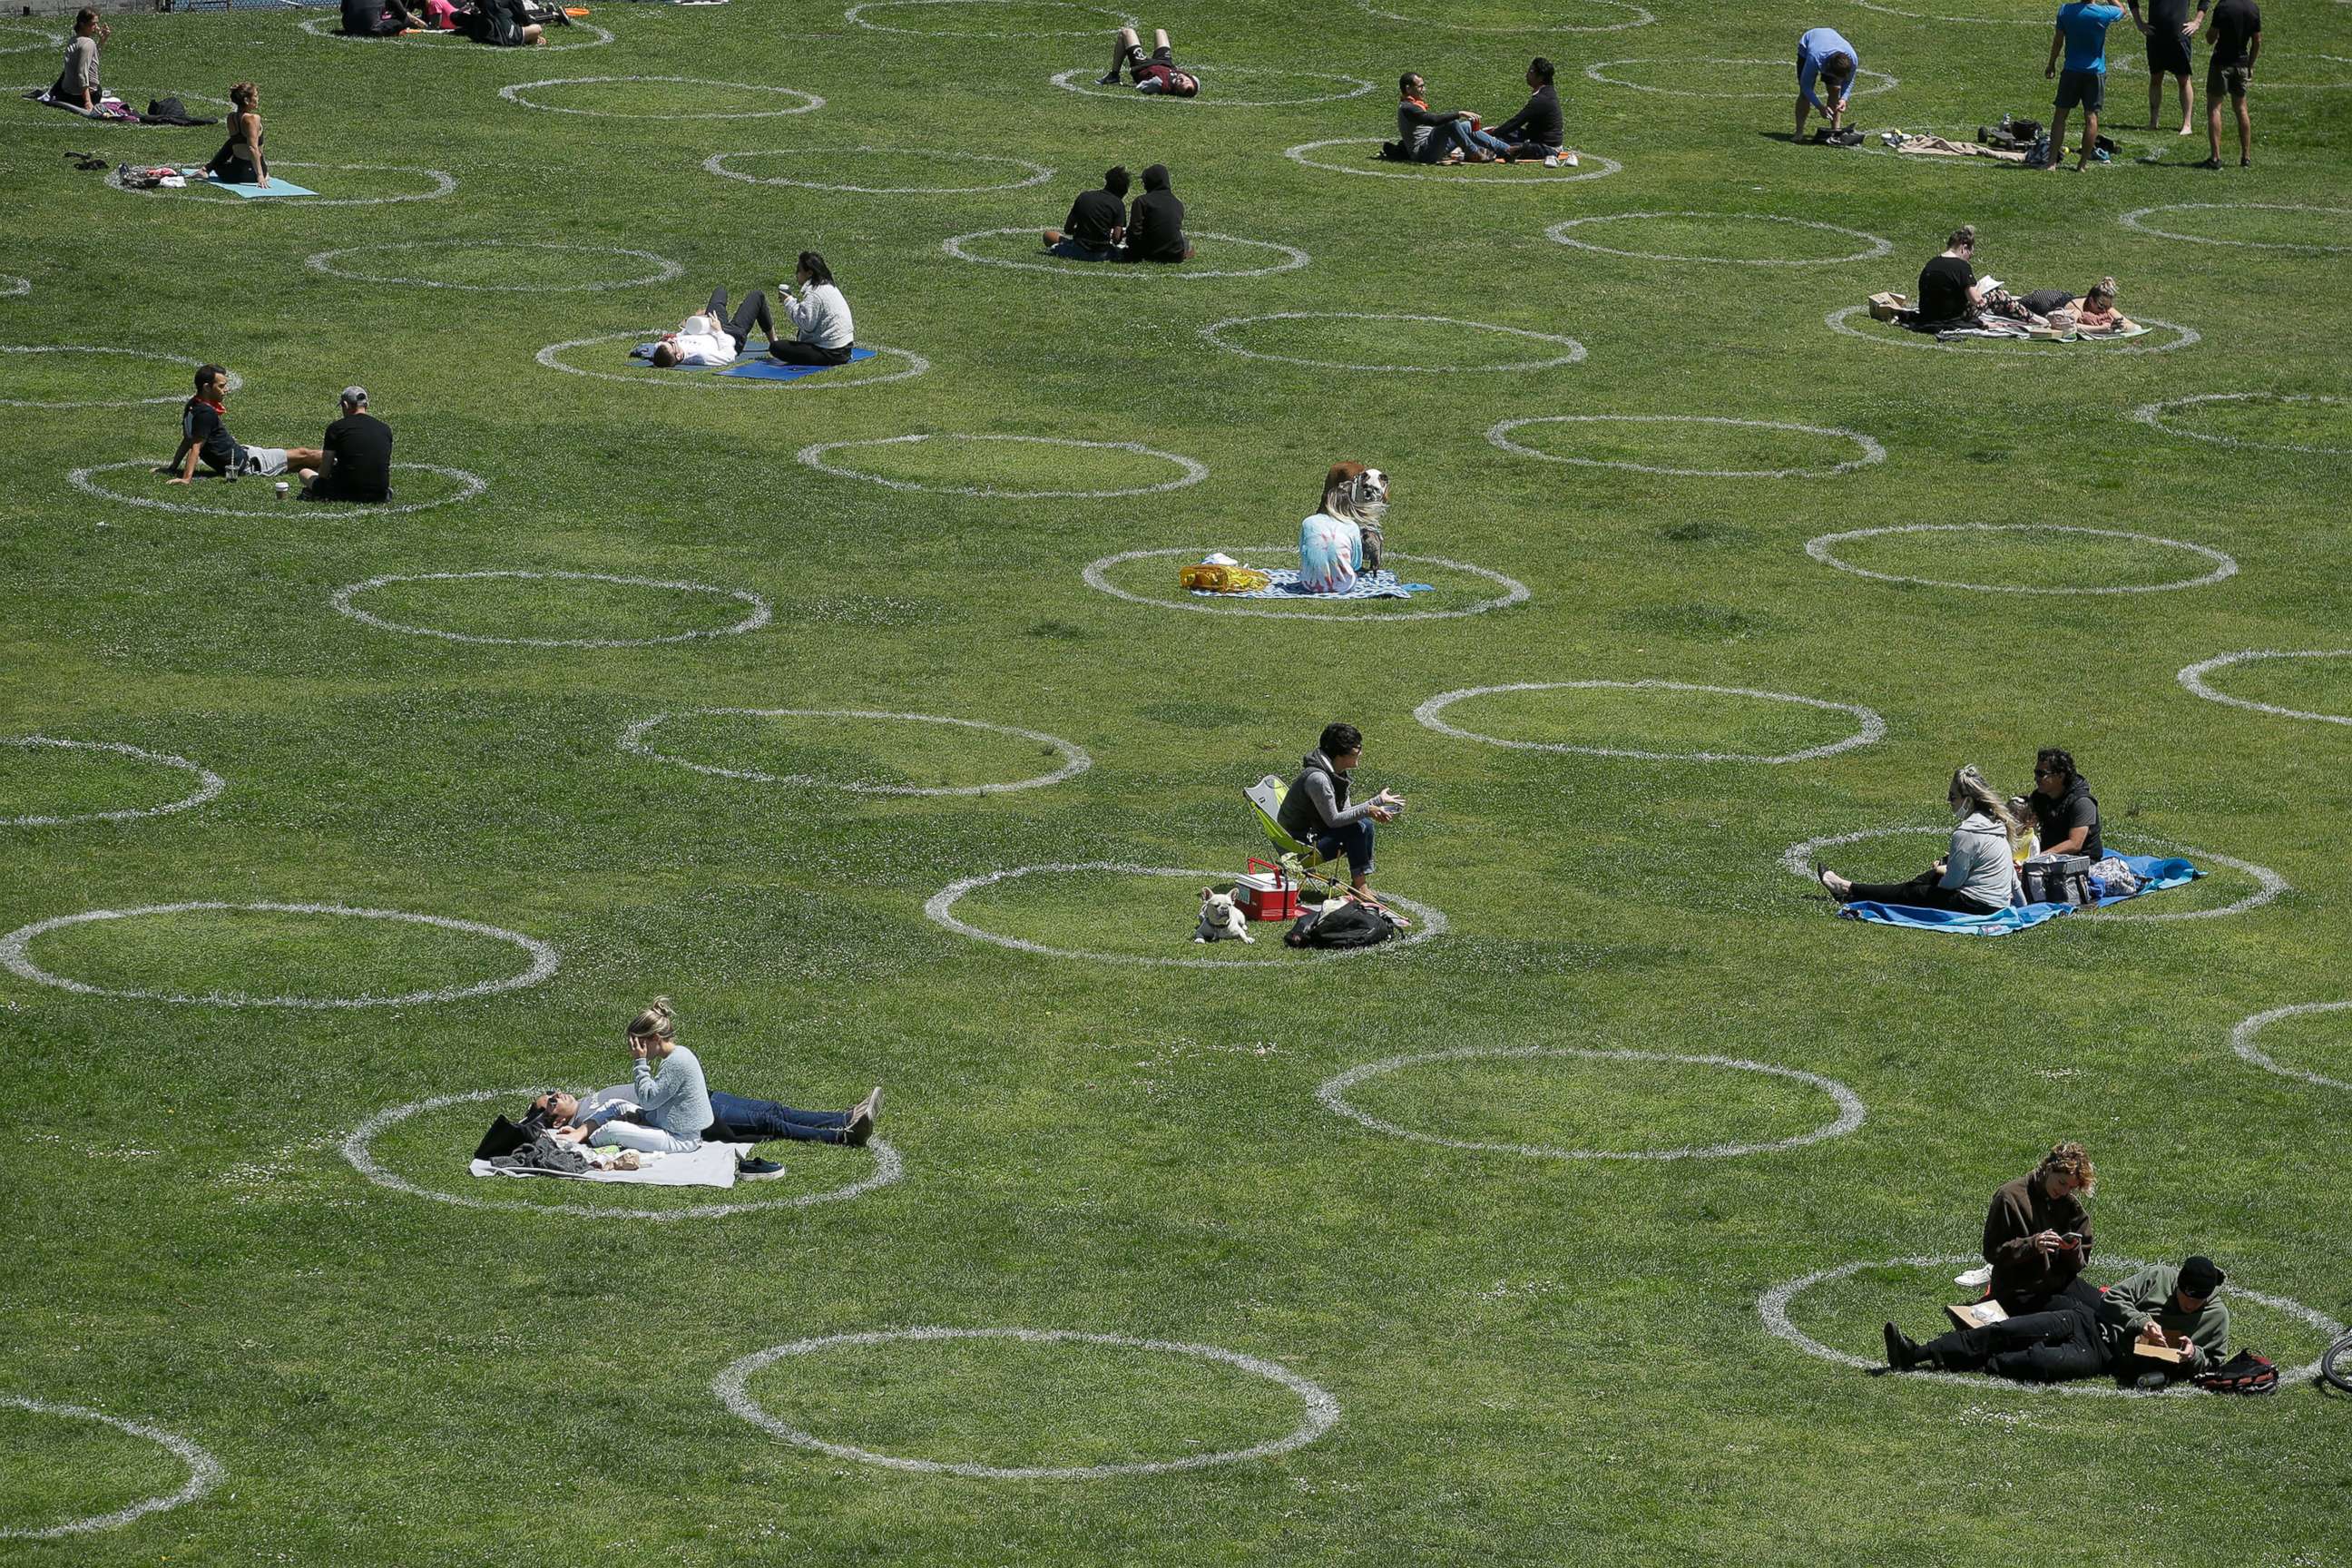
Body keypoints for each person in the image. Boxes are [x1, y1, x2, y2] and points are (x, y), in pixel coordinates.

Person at [529, 1083, 879, 1180]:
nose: (558, 1096)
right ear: (557, 1121)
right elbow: (628, 1115)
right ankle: (843, 1135)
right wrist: (569, 1134)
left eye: (553, 1092)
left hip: (694, 1096)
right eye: (551, 1103)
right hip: (689, 1112)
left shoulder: (590, 1101)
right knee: (770, 1124)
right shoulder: (586, 1124)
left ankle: (842, 1115)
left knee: (771, 1110)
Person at [1814, 765, 2024, 916]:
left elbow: (1952, 883)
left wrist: (1941, 871)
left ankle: (1847, 889)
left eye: (1952, 797)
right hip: (1997, 904)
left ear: (1967, 801)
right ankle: (1851, 890)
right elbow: (2011, 879)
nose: (1948, 801)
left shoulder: (1967, 832)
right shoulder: (1996, 823)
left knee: (1912, 892)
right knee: (1921, 883)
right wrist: (2022, 910)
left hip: (1975, 905)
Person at [539, 999, 711, 1156]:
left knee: (612, 1130)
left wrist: (640, 1061)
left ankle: (580, 1142)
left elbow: (648, 1101)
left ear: (655, 1038)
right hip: (662, 1122)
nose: (634, 1050)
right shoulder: (676, 1056)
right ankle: (580, 1133)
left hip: (681, 1138)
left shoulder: (678, 1060)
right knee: (615, 1105)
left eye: (639, 1044)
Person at [1883, 1275, 2111, 1383]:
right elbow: (2119, 1296)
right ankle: (1915, 1353)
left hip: (2100, 1350)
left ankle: (1981, 1360)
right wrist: (2140, 1321)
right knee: (2005, 1331)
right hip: (2083, 1318)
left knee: (2037, 1360)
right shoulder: (2147, 1281)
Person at [1275, 722, 1404, 899]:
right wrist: (1369, 808)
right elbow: (1334, 820)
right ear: (1339, 755)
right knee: (1355, 829)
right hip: (1299, 848)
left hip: (1314, 835)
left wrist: (1377, 803)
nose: (1360, 754)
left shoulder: (1336, 772)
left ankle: (1358, 886)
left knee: (1364, 823)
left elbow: (1347, 812)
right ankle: (1361, 889)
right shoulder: (1318, 779)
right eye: (1355, 752)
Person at [160, 364, 321, 486]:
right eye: (221, 386)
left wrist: (173, 467)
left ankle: (335, 460)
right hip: (251, 465)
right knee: (303, 455)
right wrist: (186, 478)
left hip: (245, 453)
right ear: (207, 388)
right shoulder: (205, 413)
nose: (226, 390)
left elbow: (187, 439)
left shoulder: (192, 405)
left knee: (302, 458)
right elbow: (195, 447)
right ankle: (338, 457)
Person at [1982, 1142, 2097, 1313]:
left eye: (2072, 1188)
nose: (2065, 1191)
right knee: (2081, 1316)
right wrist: (2033, 1244)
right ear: (2049, 1169)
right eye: (2062, 1183)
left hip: (2058, 1283)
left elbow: (2079, 1263)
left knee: (2109, 1309)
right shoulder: (2010, 1197)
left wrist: (2071, 1250)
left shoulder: (2069, 1205)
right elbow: (1993, 1252)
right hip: (2020, 1290)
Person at [2099, 1255, 2230, 1385]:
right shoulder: (2158, 1277)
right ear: (2178, 1284)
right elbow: (2111, 1297)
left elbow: (2214, 1364)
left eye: (2198, 1301)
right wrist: (2142, 1323)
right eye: (2186, 1297)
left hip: (2151, 1368)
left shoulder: (2218, 1316)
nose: (2190, 1305)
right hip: (2110, 1343)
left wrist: (2193, 1355)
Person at [2044, 1, 2127, 173]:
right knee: (2091, 117)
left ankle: (2052, 162)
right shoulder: (2103, 13)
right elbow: (2122, 11)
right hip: (2096, 72)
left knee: (2060, 116)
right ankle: (2082, 164)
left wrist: (2051, 64)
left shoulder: (2066, 11)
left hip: (2071, 70)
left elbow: (2058, 41)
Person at [1298, 462, 1391, 591]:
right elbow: (1356, 563)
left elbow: (1302, 552)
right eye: (1365, 487)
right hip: (1345, 585)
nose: (1369, 492)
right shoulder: (1351, 526)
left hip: (1308, 584)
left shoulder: (1307, 522)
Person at [299, 387, 394, 503]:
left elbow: (324, 472)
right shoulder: (385, 429)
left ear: (345, 405)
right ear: (366, 405)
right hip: (379, 493)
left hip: (345, 493)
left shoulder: (336, 428)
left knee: (304, 473)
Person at [2128, 0, 2207, 133]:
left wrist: (2197, 21)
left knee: (2183, 80)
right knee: (2155, 79)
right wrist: (2139, 23)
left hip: (2179, 37)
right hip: (2155, 36)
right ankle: (2153, 122)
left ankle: (2187, 124)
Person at [2199, 0, 2259, 168]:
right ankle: (2246, 157)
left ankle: (2216, 158)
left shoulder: (2223, 6)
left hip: (2221, 64)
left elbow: (2211, 38)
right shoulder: (2253, 7)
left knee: (2214, 108)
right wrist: (2250, 66)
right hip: (2241, 64)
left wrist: (2210, 34)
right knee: (2241, 109)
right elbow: (2257, 40)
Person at [1396, 72, 1506, 163]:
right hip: (1423, 154)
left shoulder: (1413, 104)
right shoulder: (1407, 108)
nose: (1424, 90)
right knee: (1451, 123)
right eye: (1420, 86)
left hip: (1434, 147)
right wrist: (1459, 113)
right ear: (1408, 89)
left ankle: (1506, 149)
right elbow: (1433, 121)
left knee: (1467, 126)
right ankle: (1474, 153)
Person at [649, 288, 769, 368]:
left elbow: (658, 347)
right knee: (757, 296)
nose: (671, 340)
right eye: (672, 344)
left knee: (720, 291)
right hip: (731, 336)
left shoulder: (667, 349)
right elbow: (729, 356)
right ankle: (774, 342)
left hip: (709, 325)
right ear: (679, 355)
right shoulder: (701, 356)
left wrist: (691, 324)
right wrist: (718, 331)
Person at [1490, 57, 1578, 165]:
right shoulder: (1547, 92)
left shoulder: (1541, 100)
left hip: (1545, 148)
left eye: (1531, 71)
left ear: (1540, 77)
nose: (1527, 74)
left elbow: (1516, 121)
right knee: (1502, 133)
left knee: (1494, 142)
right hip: (1537, 139)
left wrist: (1493, 134)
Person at [771, 252, 855, 366]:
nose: (796, 274)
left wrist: (788, 301)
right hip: (845, 347)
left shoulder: (814, 293)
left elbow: (806, 324)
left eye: (799, 270)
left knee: (776, 347)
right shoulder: (828, 286)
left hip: (831, 353)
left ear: (809, 273)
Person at [2025, 747, 2103, 861]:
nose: (2035, 778)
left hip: (2080, 862)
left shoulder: (2082, 802)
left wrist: (2038, 858)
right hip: (2050, 858)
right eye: (2036, 773)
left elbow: (2075, 844)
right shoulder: (2040, 797)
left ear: (2060, 776)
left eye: (2041, 774)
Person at [1043, 165, 1130, 260]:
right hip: (1102, 254)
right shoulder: (1118, 204)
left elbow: (1068, 229)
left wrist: (1084, 232)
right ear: (1123, 190)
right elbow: (1116, 239)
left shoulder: (1084, 196)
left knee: (1048, 235)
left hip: (1077, 250)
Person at [1115, 164, 1193, 263]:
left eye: (1145, 182)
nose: (1144, 185)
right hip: (1175, 254)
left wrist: (1129, 245)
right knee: (1185, 240)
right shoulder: (1178, 203)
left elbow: (1135, 232)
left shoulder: (1142, 201)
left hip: (1150, 253)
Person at [1914, 225, 1988, 325]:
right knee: (1997, 296)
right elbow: (1976, 300)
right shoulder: (1962, 266)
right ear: (1964, 248)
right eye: (1970, 255)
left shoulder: (1932, 263)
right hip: (1949, 318)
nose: (1968, 259)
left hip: (1927, 315)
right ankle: (2016, 315)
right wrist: (1981, 289)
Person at [1095, 25, 1198, 97]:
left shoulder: (1159, 83)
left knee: (1126, 32)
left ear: (1176, 89)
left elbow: (1140, 87)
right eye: (1186, 80)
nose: (1182, 78)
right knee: (1160, 32)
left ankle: (1113, 76)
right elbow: (1192, 83)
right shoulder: (1194, 82)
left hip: (1143, 66)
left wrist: (1133, 84)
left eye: (1181, 82)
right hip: (1165, 63)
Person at [1795, 26, 1859, 138]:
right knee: (1804, 95)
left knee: (1835, 89)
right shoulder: (1814, 58)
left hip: (1829, 41)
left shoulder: (1852, 60)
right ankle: (1799, 132)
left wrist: (1844, 98)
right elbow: (1806, 87)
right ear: (1828, 68)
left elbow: (1849, 80)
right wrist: (1820, 107)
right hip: (1809, 43)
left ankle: (1835, 132)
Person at [204, 81, 269, 187]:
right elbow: (252, 148)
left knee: (231, 143)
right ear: (247, 100)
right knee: (251, 145)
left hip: (230, 175)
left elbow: (235, 144)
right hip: (251, 174)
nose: (258, 99)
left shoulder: (231, 117)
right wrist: (260, 176)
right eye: (256, 96)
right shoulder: (253, 119)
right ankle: (263, 174)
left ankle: (206, 168)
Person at [49, 9, 107, 112]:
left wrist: (102, 41)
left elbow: (93, 59)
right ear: (82, 24)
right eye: (93, 24)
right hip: (80, 98)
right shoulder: (88, 43)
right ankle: (87, 99)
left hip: (66, 95)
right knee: (98, 89)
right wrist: (88, 102)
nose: (96, 28)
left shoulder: (73, 40)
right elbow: (82, 73)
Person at [340, 0, 424, 35]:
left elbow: (343, 9)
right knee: (404, 20)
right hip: (371, 29)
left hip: (348, 26)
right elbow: (401, 13)